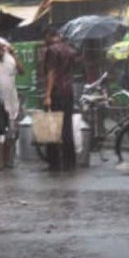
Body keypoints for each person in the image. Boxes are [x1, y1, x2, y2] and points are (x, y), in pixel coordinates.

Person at [0, 37, 24, 170]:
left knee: (11, 132)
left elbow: (21, 71)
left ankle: (8, 160)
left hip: (11, 100)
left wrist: (14, 55)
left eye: (3, 46)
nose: (0, 49)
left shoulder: (10, 59)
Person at [43, 30, 78, 172]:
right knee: (67, 128)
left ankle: (55, 163)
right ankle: (70, 162)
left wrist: (47, 94)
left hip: (57, 92)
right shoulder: (70, 49)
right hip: (68, 91)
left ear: (49, 36)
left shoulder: (51, 50)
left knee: (52, 128)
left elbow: (52, 73)